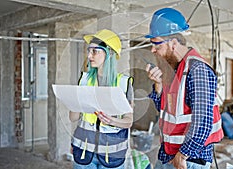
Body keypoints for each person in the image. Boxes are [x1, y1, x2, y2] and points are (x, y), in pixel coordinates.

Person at [144, 8, 224, 169]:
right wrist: (158, 85)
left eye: (156, 43)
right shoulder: (174, 68)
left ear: (173, 43)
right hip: (169, 152)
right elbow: (165, 110)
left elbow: (203, 120)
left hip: (190, 159)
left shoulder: (197, 70)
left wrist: (183, 155)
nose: (152, 49)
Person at [69, 29, 134, 169]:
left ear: (109, 53)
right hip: (84, 151)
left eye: (95, 51)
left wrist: (112, 121)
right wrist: (74, 102)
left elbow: (128, 121)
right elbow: (73, 118)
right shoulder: (84, 80)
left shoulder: (124, 83)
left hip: (112, 154)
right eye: (89, 50)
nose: (89, 55)